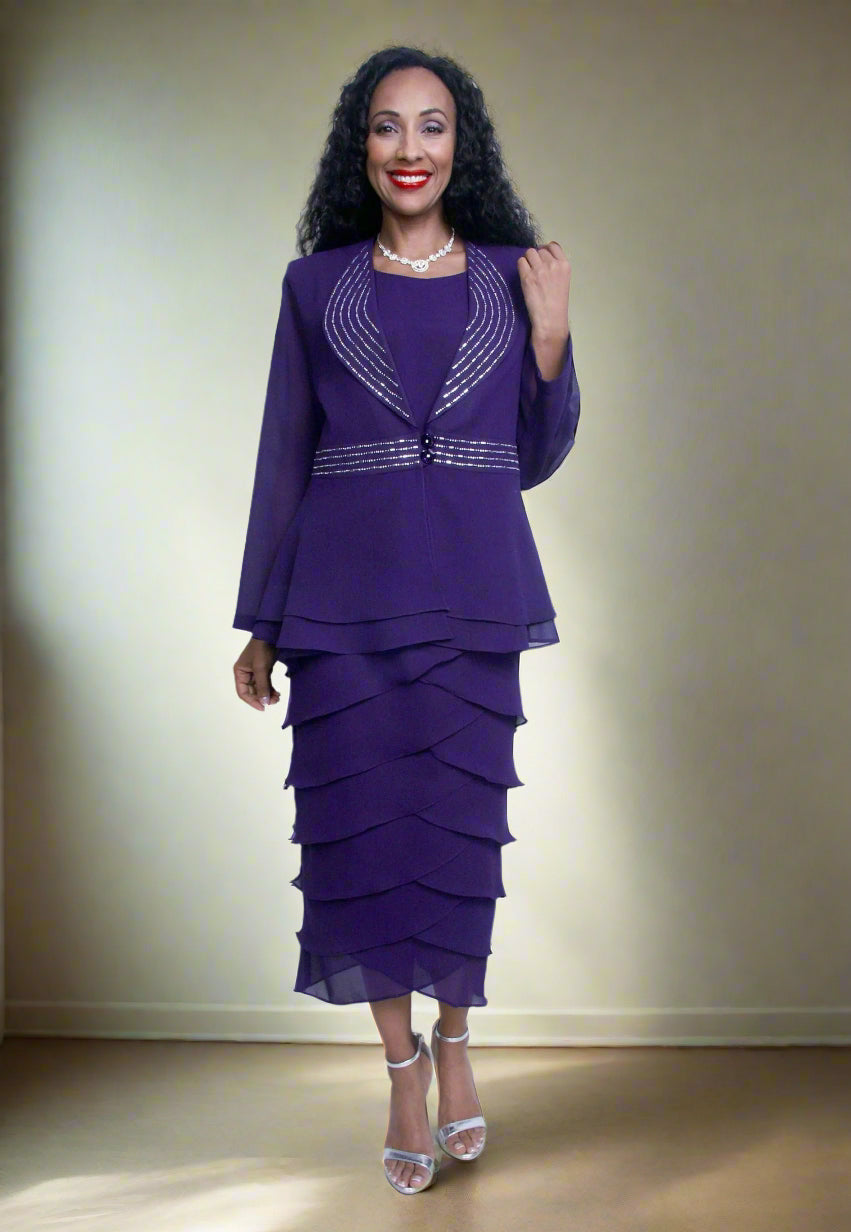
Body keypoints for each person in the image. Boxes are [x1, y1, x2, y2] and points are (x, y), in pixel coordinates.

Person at [231, 45, 580, 1195]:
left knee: (456, 840)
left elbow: (531, 453)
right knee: (360, 845)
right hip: (338, 607)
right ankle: (399, 1067)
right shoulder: (313, 285)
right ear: (362, 147)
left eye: (432, 125)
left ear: (459, 145)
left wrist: (548, 340)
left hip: (474, 597)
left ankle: (458, 1040)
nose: (410, 148)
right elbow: (283, 457)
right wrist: (262, 620)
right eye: (387, 126)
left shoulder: (512, 276)